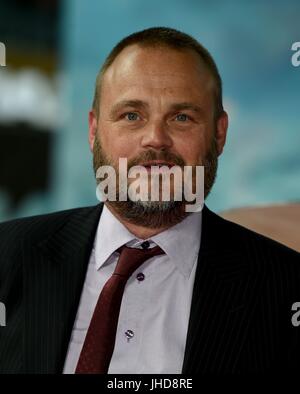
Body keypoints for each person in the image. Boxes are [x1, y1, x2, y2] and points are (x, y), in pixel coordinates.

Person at [0, 27, 299, 374]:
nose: (155, 139)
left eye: (181, 117)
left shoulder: (285, 288)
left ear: (219, 134)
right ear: (94, 130)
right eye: (131, 115)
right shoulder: (6, 258)